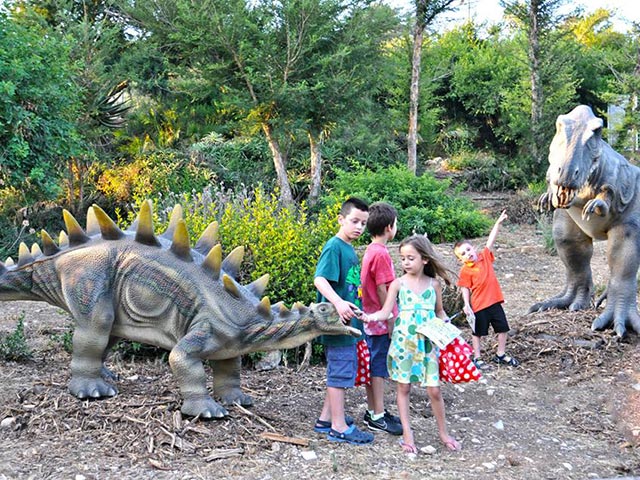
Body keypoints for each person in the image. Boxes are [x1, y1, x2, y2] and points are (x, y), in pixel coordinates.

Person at [367, 235, 461, 454]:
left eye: (411, 258)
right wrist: (369, 317)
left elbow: (439, 311)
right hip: (403, 344)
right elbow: (385, 311)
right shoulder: (398, 284)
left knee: (434, 390)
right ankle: (408, 435)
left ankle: (443, 433)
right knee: (404, 387)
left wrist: (445, 322)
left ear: (425, 259)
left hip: (427, 344)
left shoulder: (434, 284)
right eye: (403, 258)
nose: (406, 262)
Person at [312, 197, 375, 445]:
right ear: (340, 219)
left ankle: (326, 419)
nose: (359, 227)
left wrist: (358, 311)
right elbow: (320, 279)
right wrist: (338, 303)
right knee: (339, 374)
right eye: (354, 221)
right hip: (337, 325)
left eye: (363, 223)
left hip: (350, 324)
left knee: (343, 372)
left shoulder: (349, 248)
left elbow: (349, 288)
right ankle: (338, 427)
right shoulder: (334, 246)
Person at [453, 210, 519, 370]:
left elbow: (491, 240)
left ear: (474, 248)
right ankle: (477, 357)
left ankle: (500, 354)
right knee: (478, 333)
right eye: (463, 254)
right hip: (479, 306)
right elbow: (465, 289)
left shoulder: (484, 257)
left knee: (503, 329)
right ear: (460, 259)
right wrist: (467, 305)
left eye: (468, 250)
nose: (468, 254)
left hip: (495, 302)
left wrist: (497, 223)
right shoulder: (466, 271)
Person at [360, 202, 403, 436]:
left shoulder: (370, 250)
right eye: (396, 224)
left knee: (374, 366)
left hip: (370, 318)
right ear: (389, 227)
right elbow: (381, 289)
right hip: (379, 321)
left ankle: (374, 409)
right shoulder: (382, 253)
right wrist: (390, 319)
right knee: (378, 369)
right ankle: (377, 416)